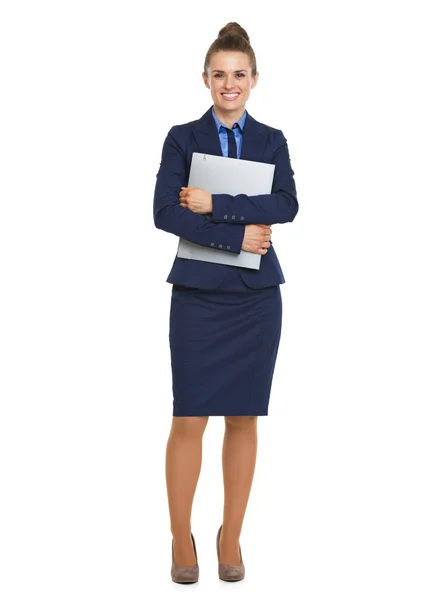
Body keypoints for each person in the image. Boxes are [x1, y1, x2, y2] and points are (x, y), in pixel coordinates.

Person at [153, 22, 299, 583]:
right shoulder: (181, 138)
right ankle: (179, 534)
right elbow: (166, 213)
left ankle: (231, 534)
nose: (229, 83)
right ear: (206, 80)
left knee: (243, 416)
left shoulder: (272, 140)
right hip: (196, 295)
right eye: (220, 74)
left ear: (254, 79)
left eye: (240, 74)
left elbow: (286, 204)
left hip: (255, 298)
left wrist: (215, 203)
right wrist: (235, 232)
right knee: (189, 416)